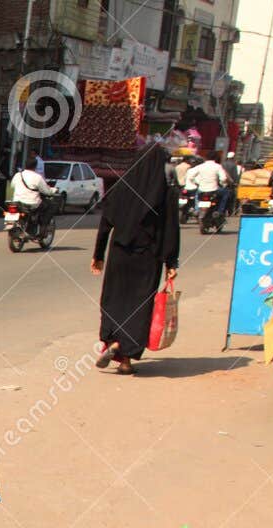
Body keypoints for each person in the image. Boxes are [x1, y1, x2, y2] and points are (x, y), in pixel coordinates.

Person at [91, 141, 179, 375]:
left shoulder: (121, 187)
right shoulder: (164, 192)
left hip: (119, 254)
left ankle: (111, 343)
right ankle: (126, 359)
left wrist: (98, 255)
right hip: (148, 258)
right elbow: (171, 229)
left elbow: (105, 223)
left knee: (115, 300)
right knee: (138, 306)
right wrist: (171, 261)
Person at [9, 156, 57, 230]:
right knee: (50, 206)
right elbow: (47, 191)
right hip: (32, 204)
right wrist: (54, 190)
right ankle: (43, 228)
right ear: (35, 166)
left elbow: (12, 186)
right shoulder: (37, 177)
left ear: (25, 165)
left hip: (17, 202)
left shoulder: (18, 175)